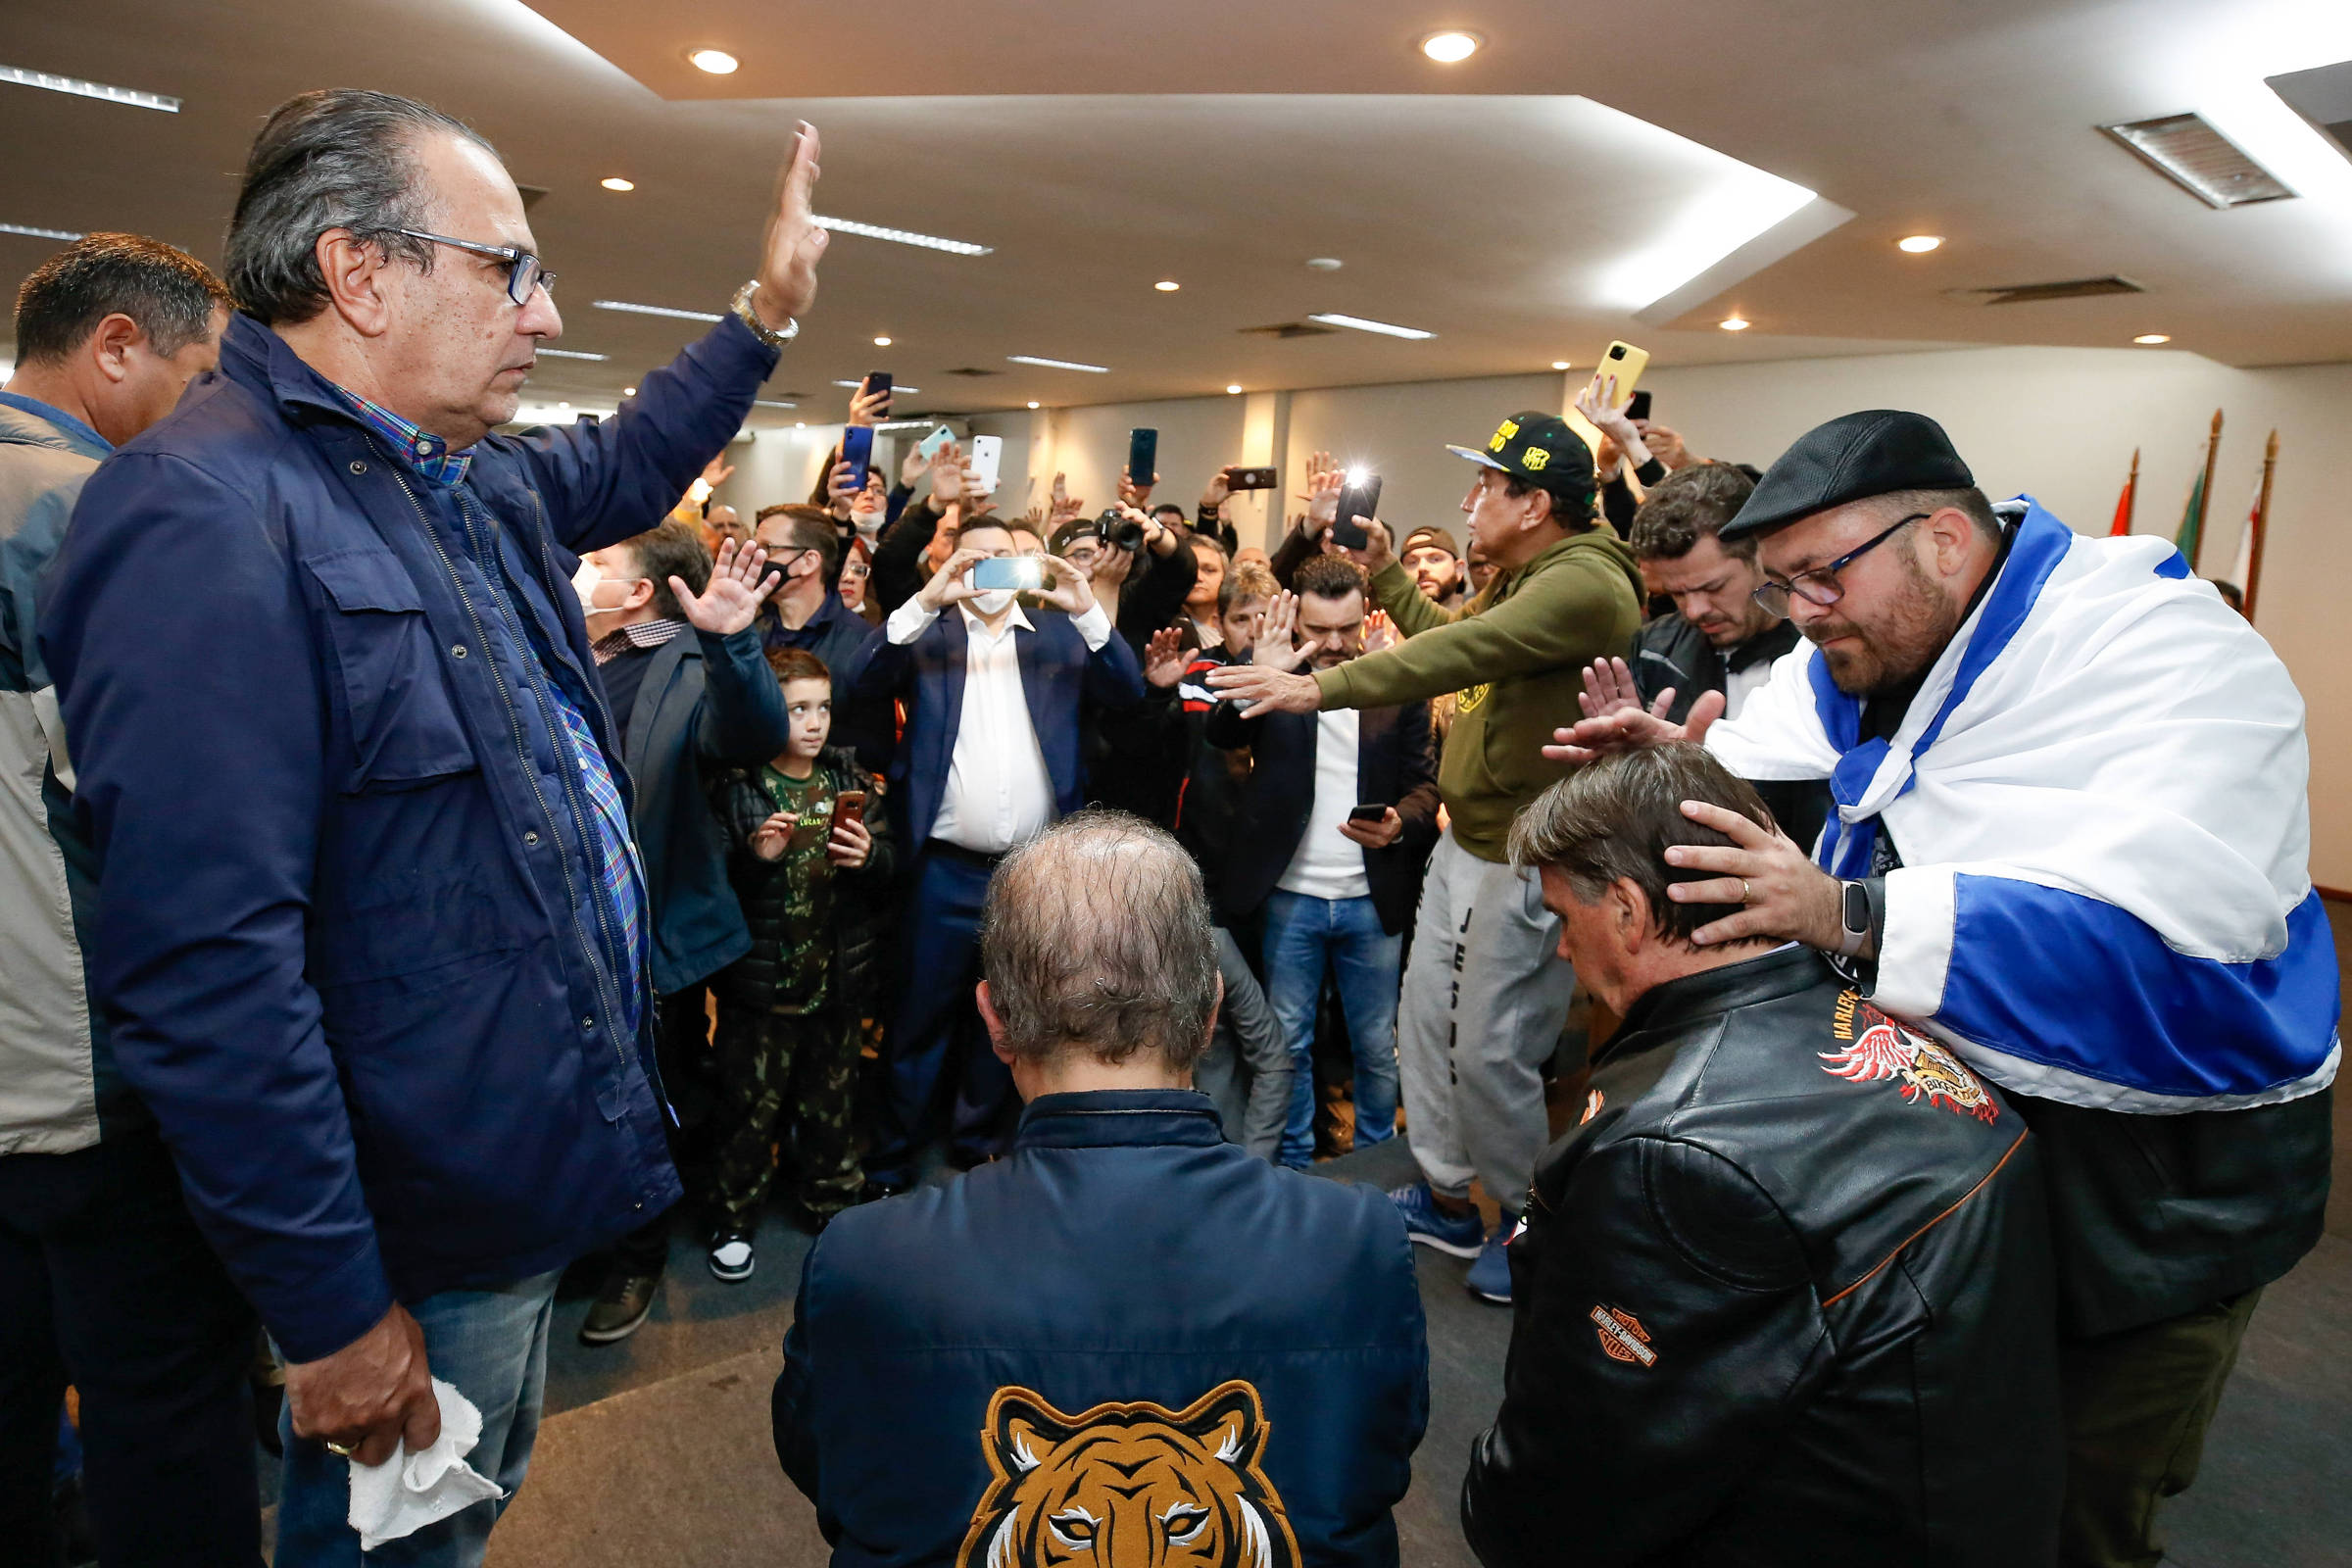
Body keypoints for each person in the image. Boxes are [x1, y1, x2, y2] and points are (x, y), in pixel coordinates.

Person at [39, 89, 832, 1564]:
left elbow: (635, 456)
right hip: (402, 1229)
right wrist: (332, 1302)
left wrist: (764, 311)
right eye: (512, 268)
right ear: (362, 273)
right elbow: (208, 972)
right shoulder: (204, 512)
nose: (543, 312)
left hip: (505, 1184)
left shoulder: (455, 482)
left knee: (463, 1526)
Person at [1548, 409, 2337, 1568]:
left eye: (1822, 578)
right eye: (1782, 589)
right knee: (1947, 1475)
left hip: (2151, 1194)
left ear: (1950, 544)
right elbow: (1793, 775)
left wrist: (1848, 913)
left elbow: (2185, 938)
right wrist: (1673, 766)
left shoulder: (2172, 655)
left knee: (2075, 1501)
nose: (1802, 618)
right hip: (1959, 1165)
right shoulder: (1872, 652)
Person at [773, 811, 1429, 1565]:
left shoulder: (862, 1259)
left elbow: (831, 1472)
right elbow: (1377, 1465)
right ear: (1213, 1010)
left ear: (994, 1020)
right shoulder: (1360, 1242)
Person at [1462, 745, 2062, 1567]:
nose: (1564, 951)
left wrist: (1490, 1500)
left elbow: (1586, 1480)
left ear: (1631, 912)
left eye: (1567, 918)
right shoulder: (1893, 1025)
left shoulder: (1673, 1157)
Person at [1210, 409, 1644, 1305]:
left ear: (1534, 505)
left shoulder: (1586, 585)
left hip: (1532, 852)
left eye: (1490, 484)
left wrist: (1319, 684)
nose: (1472, 498)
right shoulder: (1530, 572)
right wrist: (1385, 581)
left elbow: (1460, 648)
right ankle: (1449, 1197)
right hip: (1467, 840)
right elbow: (1449, 637)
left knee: (1490, 1050)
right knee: (1420, 1030)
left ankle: (1533, 1222)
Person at [0, 233, 261, 1567]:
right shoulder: (102, 512)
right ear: (116, 346)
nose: (211, 410)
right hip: (86, 1078)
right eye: (201, 375)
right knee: (164, 1416)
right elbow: (174, 820)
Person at [850, 517, 1144, 1191]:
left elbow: (1127, 694)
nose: (990, 570)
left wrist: (1087, 607)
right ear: (951, 562)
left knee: (1010, 1020)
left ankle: (977, 1145)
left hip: (1033, 872)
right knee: (916, 1017)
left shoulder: (1060, 638)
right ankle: (893, 1156)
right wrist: (928, 599)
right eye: (975, 558)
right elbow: (861, 679)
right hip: (943, 870)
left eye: (1008, 559)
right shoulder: (930, 635)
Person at [571, 521, 793, 1345]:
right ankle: (582, 1236)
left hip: (651, 925)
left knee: (648, 1094)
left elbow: (751, 734)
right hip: (561, 925)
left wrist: (733, 645)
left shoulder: (691, 662)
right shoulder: (567, 648)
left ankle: (640, 1252)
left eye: (595, 562)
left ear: (637, 592)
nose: (576, 571)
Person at [1209, 560, 1440, 1168]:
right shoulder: (1278, 677)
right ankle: (1291, 1164)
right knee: (1288, 1043)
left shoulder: (1397, 681)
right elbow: (1220, 734)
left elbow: (1425, 785)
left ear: (1368, 615)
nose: (1335, 643)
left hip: (1373, 898)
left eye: (1347, 628)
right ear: (1296, 617)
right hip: (1289, 895)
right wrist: (1260, 671)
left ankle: (1377, 1165)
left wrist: (1400, 824)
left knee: (1374, 1046)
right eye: (1320, 628)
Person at [703, 649, 895, 1270]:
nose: (815, 723)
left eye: (824, 708)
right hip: (761, 989)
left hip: (834, 983)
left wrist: (869, 859)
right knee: (748, 1113)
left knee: (831, 1105)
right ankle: (733, 1219)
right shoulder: (742, 789)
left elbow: (892, 868)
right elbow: (712, 883)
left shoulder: (851, 783)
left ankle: (832, 1203)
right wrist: (757, 859)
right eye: (797, 710)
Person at [1620, 461, 1830, 853]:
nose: (1695, 610)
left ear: (1760, 557)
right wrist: (1624, 768)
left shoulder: (1824, 647)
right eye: (1677, 594)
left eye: (1713, 587)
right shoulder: (1654, 649)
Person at [1397, 524, 1466, 609]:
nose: (1422, 568)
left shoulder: (1479, 619)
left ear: (1458, 569)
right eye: (1412, 562)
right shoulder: (1385, 620)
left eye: (1435, 559)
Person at [1180, 531, 1228, 648]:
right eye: (1190, 569)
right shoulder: (1163, 627)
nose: (1198, 577)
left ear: (1225, 577)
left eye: (1209, 570)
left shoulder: (1240, 626)